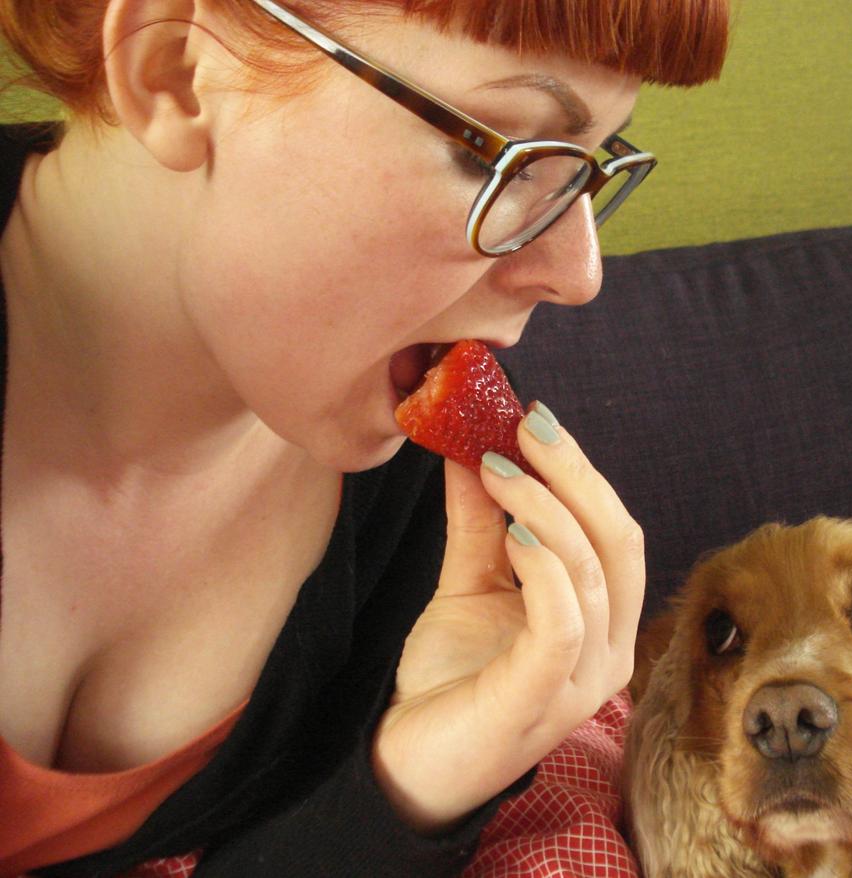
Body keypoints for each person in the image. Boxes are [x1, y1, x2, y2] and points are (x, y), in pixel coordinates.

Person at [0, 0, 729, 875]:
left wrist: (413, 781)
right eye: (492, 153)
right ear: (176, 71)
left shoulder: (428, 522)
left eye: (583, 170)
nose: (579, 273)